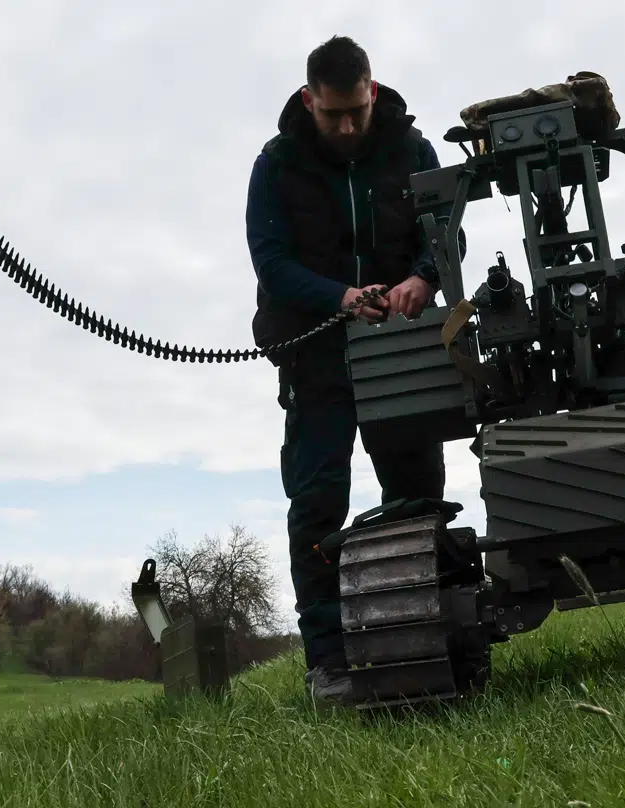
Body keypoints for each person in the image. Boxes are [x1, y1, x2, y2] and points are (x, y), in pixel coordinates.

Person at [245, 36, 447, 703]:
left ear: (372, 91)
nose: (346, 125)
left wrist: (422, 278)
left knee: (416, 490)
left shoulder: (412, 150)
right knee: (318, 501)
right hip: (317, 351)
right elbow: (272, 263)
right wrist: (338, 298)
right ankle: (328, 662)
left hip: (399, 347)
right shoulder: (276, 165)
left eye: (356, 110)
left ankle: (431, 630)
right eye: (332, 114)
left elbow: (444, 234)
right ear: (310, 100)